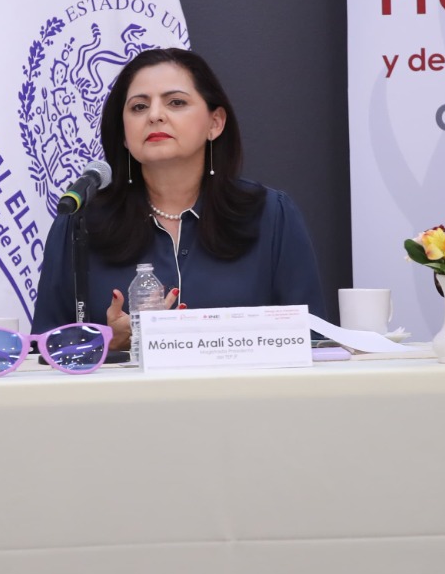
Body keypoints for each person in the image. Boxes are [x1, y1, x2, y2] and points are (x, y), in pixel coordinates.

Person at [33, 48, 325, 349]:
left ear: (215, 123)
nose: (155, 115)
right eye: (138, 107)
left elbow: (313, 341)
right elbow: (44, 350)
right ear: (123, 133)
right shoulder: (81, 222)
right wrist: (108, 344)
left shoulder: (271, 216)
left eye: (176, 102)